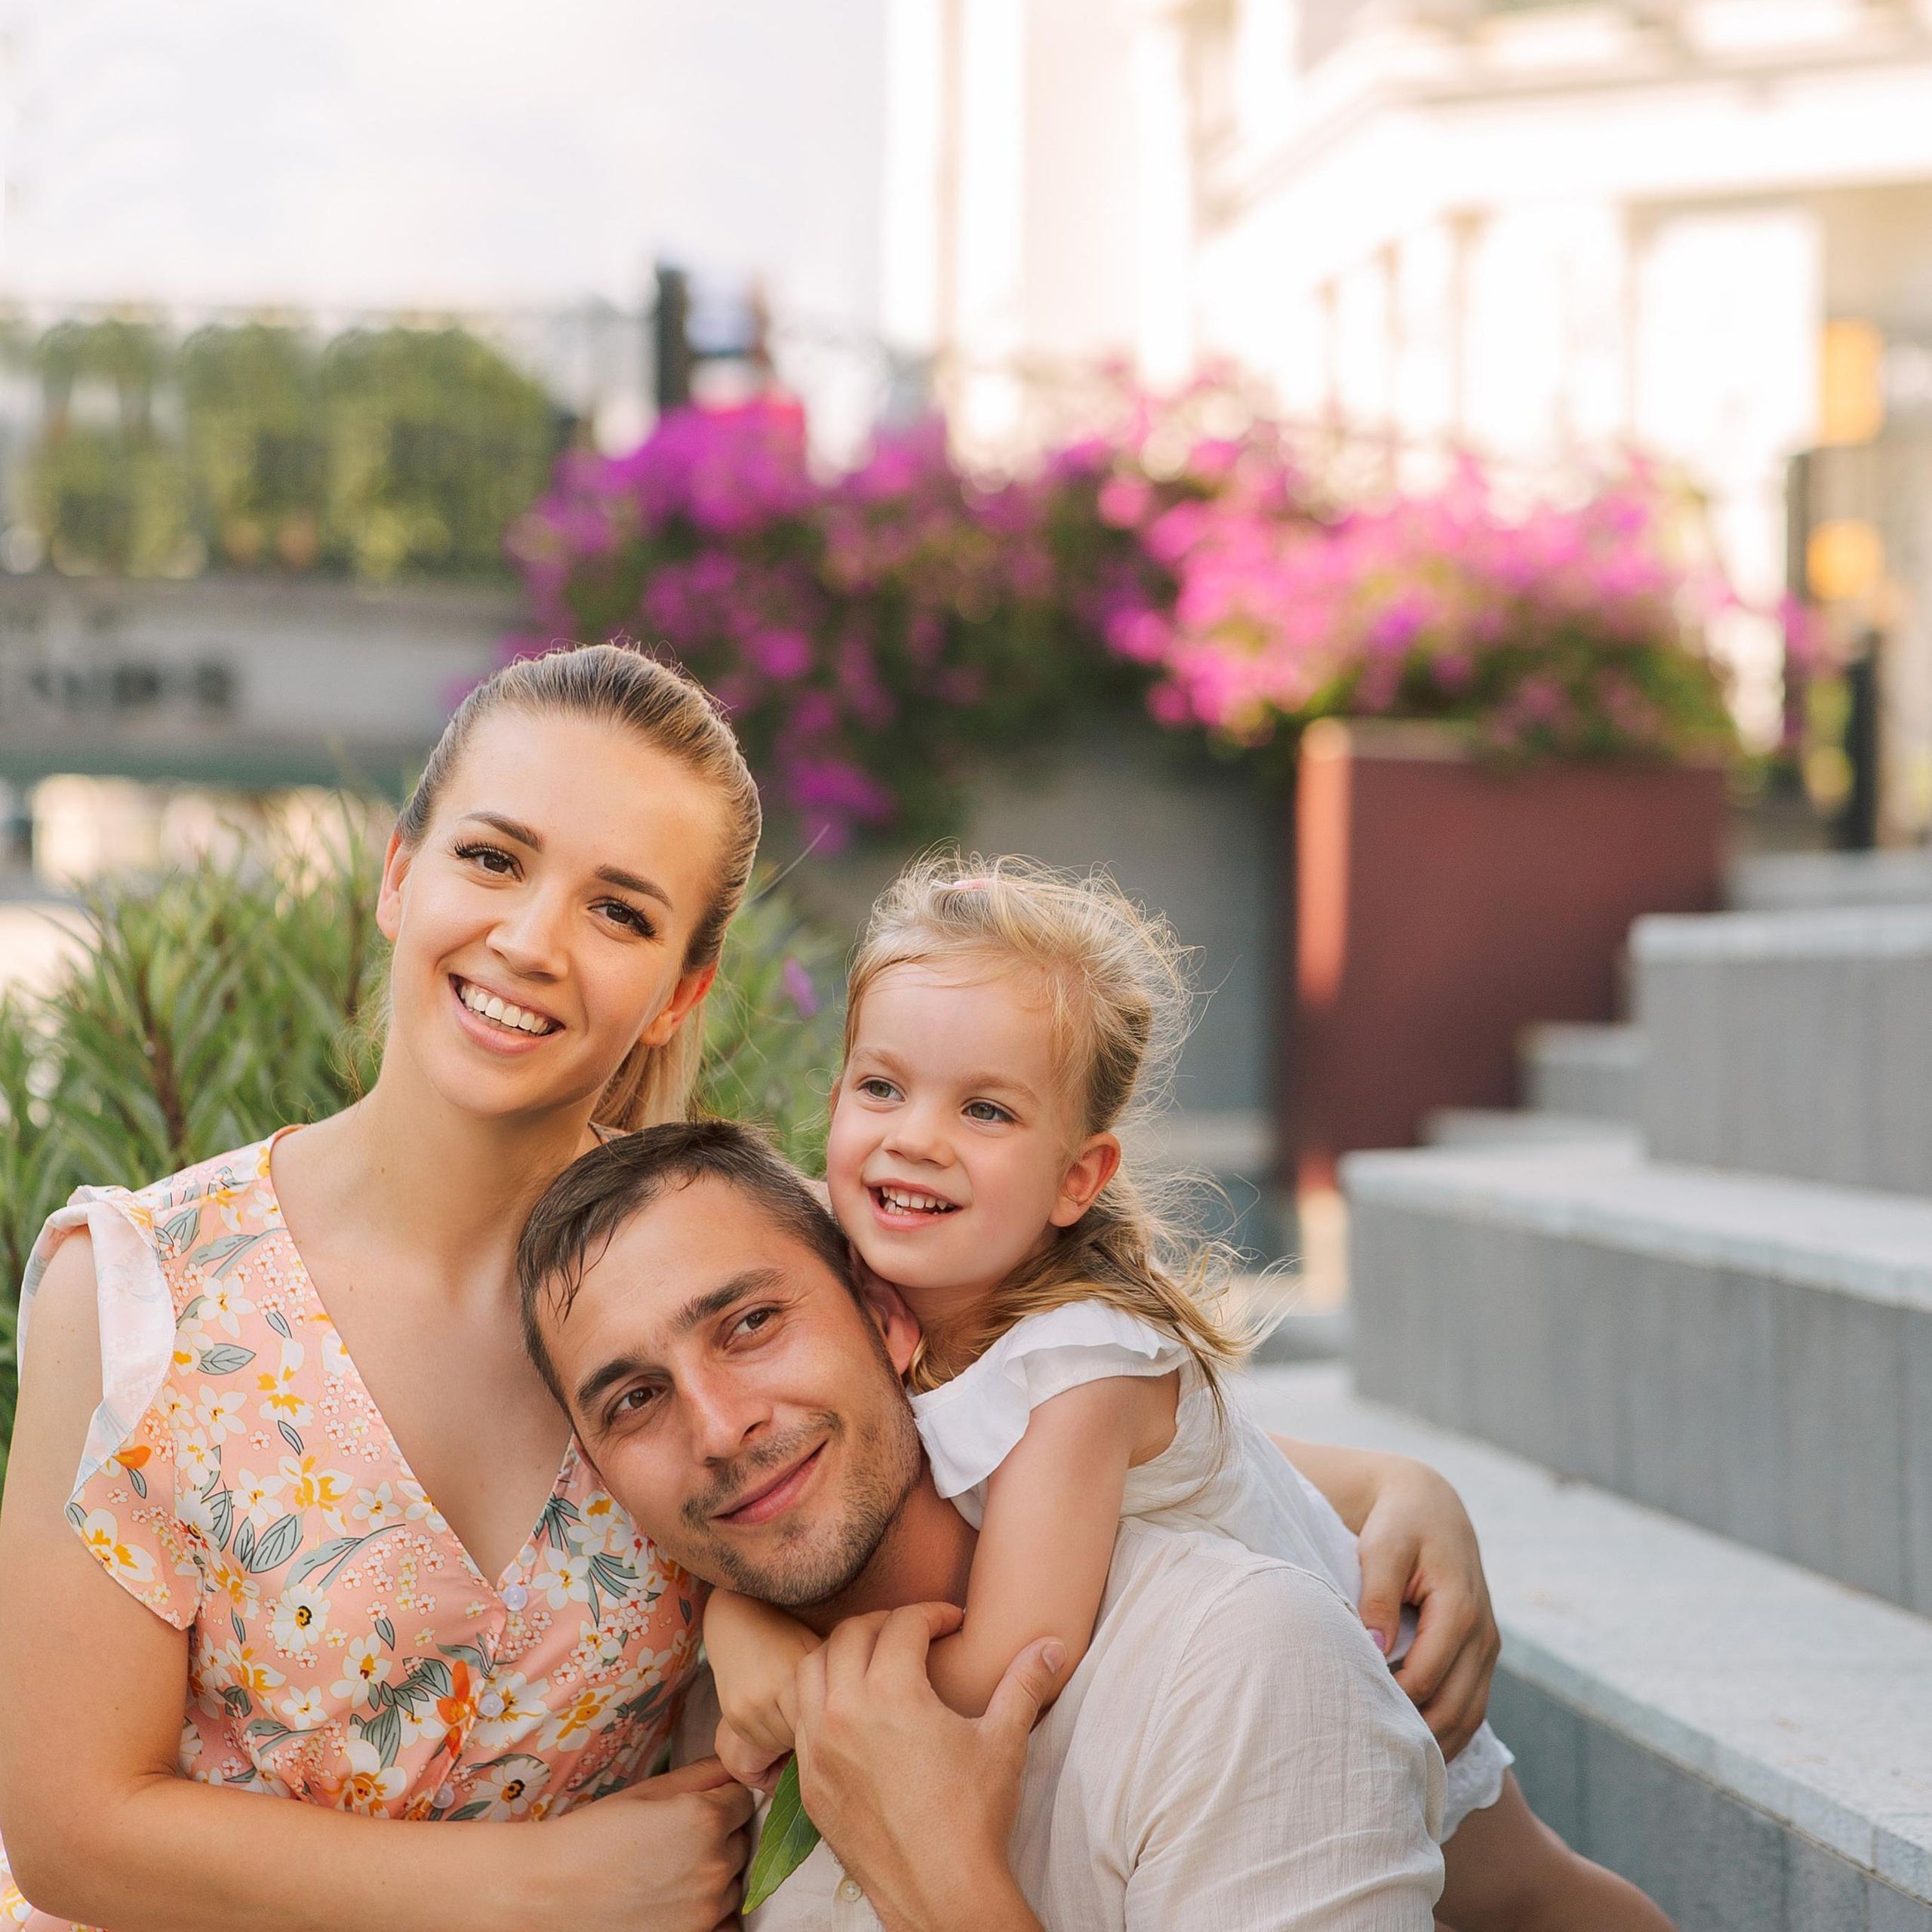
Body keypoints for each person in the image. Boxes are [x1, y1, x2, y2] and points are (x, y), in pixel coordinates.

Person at [702, 854, 1672, 1932]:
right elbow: (1255, 1451)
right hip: (1215, 1702)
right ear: (834, 1103)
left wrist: (790, 1662)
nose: (915, 1135)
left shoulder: (1075, 1362)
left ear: (1080, 1175)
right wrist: (731, 1614)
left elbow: (1016, 1664)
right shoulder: (863, 1299)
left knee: (1532, 1899)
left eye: (985, 1109)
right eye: (883, 1087)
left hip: (1349, 1674)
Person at [0, 645, 763, 1932]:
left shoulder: (720, 1309)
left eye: (620, 911)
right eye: (494, 859)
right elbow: (72, 1833)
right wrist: (534, 1891)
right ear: (399, 874)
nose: (531, 942)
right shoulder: (139, 1295)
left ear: (680, 991)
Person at [519, 1118, 1452, 1930]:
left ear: (884, 1314)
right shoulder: (705, 1734)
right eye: (636, 1399)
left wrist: (939, 1880)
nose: (721, 1429)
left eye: (752, 1322)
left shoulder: (1237, 1663)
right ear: (602, 1477)